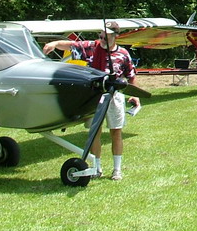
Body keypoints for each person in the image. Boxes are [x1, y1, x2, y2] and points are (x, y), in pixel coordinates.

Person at [43, 22, 138, 181]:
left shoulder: (123, 53)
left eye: (106, 35)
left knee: (116, 131)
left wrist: (134, 94)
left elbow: (131, 74)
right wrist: (54, 44)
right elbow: (71, 45)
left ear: (115, 36)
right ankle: (97, 167)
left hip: (114, 96)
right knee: (95, 132)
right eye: (101, 34)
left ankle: (117, 169)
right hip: (94, 96)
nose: (102, 38)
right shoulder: (92, 47)